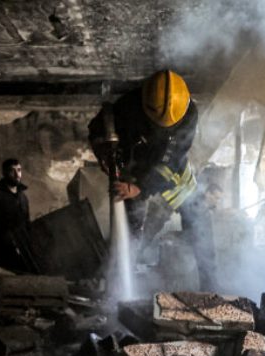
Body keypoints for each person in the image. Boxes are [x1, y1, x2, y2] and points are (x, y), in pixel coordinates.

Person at [87, 69, 218, 290]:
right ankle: (118, 286)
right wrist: (104, 155)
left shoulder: (188, 114)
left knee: (198, 219)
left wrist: (141, 187)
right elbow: (96, 129)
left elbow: (173, 159)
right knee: (130, 231)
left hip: (171, 172)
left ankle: (210, 287)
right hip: (133, 170)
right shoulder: (127, 106)